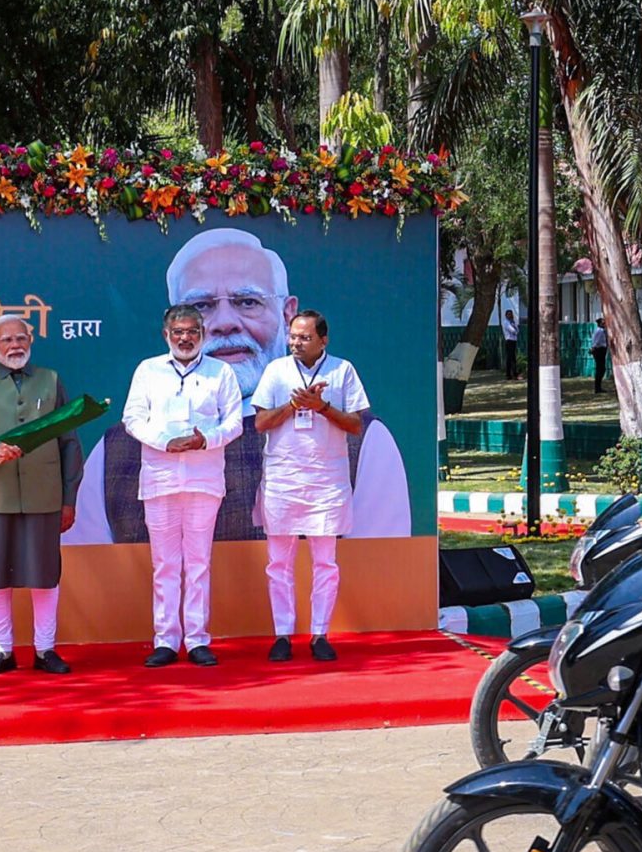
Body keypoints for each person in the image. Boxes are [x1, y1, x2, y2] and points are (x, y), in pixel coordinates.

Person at [67, 228, 409, 543]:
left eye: (248, 301)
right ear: (173, 326)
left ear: (288, 312)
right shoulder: (116, 451)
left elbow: (375, 580)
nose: (225, 323)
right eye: (201, 306)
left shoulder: (363, 443)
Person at [0, 315, 82, 675]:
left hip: (44, 495)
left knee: (44, 575)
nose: (15, 345)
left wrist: (68, 498)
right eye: (6, 340)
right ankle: (2, 650)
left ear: (31, 340)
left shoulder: (51, 381)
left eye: (21, 338)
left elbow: (69, 443)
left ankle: (45, 650)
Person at [122, 303, 244, 666]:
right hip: (160, 478)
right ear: (166, 335)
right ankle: (165, 639)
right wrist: (165, 441)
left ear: (202, 335)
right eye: (178, 332)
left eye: (192, 331)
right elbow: (132, 418)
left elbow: (235, 422)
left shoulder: (221, 372)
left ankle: (196, 639)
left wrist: (205, 439)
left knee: (198, 562)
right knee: (165, 563)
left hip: (204, 479)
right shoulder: (148, 371)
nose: (185, 338)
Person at [251, 310, 371, 661]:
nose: (296, 343)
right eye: (292, 337)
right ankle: (282, 635)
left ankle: (320, 634)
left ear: (323, 340)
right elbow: (260, 422)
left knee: (325, 563)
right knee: (279, 563)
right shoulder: (276, 371)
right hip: (283, 479)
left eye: (304, 337)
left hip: (326, 481)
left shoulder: (342, 370)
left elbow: (354, 424)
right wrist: (292, 405)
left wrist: (321, 406)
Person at [499, 287, 523, 380]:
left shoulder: (513, 321)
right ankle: (509, 374)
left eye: (511, 314)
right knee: (510, 358)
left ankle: (513, 373)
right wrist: (515, 329)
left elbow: (517, 330)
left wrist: (515, 328)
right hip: (509, 340)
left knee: (513, 358)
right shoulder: (506, 322)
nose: (510, 315)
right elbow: (512, 330)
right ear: (506, 315)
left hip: (513, 340)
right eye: (508, 314)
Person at [590, 321, 610, 394]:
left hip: (600, 350)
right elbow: (597, 341)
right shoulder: (600, 331)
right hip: (599, 350)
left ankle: (598, 387)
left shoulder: (598, 331)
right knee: (600, 369)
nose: (605, 324)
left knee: (601, 369)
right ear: (600, 324)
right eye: (603, 323)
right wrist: (593, 348)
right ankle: (597, 388)